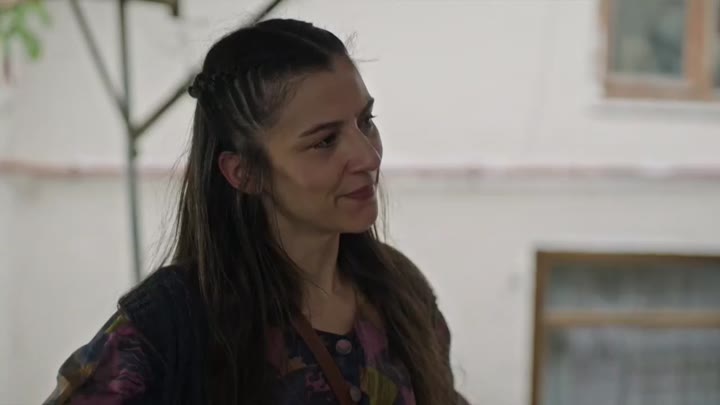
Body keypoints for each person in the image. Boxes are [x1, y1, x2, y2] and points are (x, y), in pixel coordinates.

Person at [44, 18, 467, 405]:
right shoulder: (172, 325)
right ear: (243, 172)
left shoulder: (401, 293)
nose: (368, 157)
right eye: (324, 141)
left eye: (366, 121)